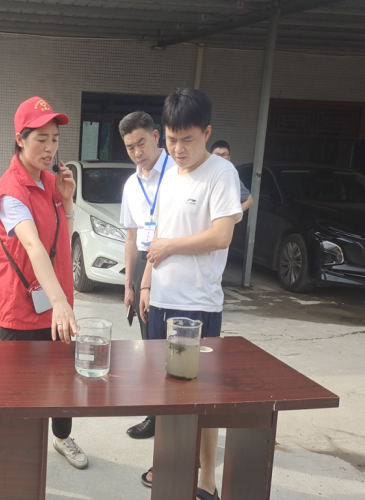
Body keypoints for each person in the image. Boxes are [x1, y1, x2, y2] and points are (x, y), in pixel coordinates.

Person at [139, 89, 242, 500]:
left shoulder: (220, 173)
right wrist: (146, 283)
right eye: (171, 139)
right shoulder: (170, 175)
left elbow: (222, 235)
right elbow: (159, 237)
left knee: (202, 394)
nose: (178, 149)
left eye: (188, 139)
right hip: (161, 299)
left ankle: (207, 479)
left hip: (197, 304)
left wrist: (169, 248)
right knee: (163, 391)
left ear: (207, 133)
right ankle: (169, 463)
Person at [0, 96, 88, 470]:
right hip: (23, 305)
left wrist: (67, 202)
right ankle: (20, 452)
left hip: (56, 300)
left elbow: (61, 237)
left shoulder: (51, 181)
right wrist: (59, 301)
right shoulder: (10, 191)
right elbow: (32, 246)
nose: (50, 148)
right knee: (21, 386)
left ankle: (62, 438)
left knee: (62, 380)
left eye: (55, 139)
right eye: (41, 139)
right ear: (20, 139)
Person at [118, 111, 177, 440]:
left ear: (156, 137)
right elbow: (131, 236)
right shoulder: (131, 184)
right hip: (143, 259)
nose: (137, 152)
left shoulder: (177, 173)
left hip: (172, 259)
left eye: (141, 143)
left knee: (175, 342)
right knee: (150, 342)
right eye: (130, 147)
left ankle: (179, 412)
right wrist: (129, 284)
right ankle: (155, 414)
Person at [210, 140, 253, 212]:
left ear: (229, 158)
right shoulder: (203, 173)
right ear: (210, 157)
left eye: (224, 155)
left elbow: (249, 200)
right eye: (217, 155)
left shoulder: (231, 176)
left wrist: (233, 216)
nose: (221, 158)